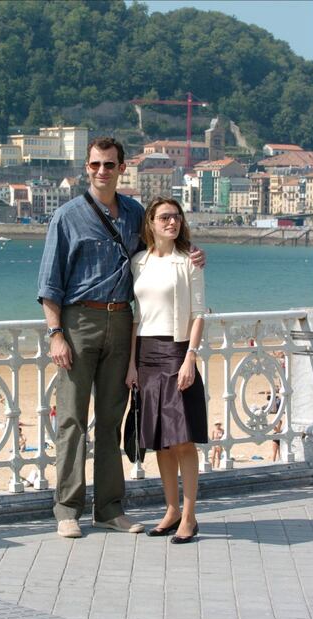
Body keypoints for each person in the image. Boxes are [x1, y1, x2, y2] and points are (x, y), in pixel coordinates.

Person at [37, 136, 205, 539]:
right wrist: (56, 333)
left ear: (121, 168)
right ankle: (68, 509)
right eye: (95, 164)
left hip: (123, 323)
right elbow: (49, 284)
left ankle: (110, 508)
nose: (101, 171)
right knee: (73, 419)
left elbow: (163, 249)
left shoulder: (133, 213)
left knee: (112, 419)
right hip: (79, 323)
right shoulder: (66, 216)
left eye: (109, 165)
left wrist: (195, 255)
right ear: (86, 168)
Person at [125, 196, 207, 544]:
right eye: (164, 217)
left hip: (176, 353)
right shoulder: (138, 262)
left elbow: (199, 313)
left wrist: (190, 357)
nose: (171, 222)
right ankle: (171, 510)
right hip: (145, 355)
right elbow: (136, 317)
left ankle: (189, 516)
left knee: (183, 440)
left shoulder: (189, 261)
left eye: (176, 217)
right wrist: (131, 363)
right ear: (151, 223)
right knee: (160, 441)